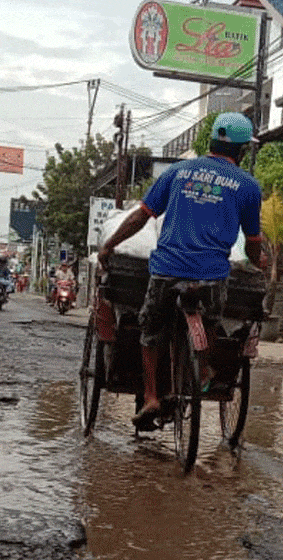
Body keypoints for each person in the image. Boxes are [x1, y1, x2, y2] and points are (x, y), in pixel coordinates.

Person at [98, 112, 264, 429]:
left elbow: (139, 217)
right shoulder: (247, 186)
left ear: (212, 141)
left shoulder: (177, 172)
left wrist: (110, 246)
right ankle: (202, 369)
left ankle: (150, 398)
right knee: (212, 320)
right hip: (212, 274)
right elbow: (253, 242)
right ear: (241, 150)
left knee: (150, 333)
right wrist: (260, 264)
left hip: (167, 269)